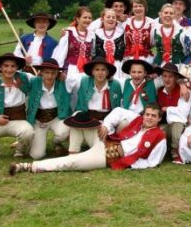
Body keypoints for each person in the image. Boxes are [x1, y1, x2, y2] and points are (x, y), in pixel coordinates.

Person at [9, 105, 167, 175]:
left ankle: (27, 166)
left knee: (71, 164)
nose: (149, 118)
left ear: (159, 119)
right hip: (106, 142)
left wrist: (130, 163)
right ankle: (73, 152)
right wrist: (105, 125)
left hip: (109, 156)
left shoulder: (159, 136)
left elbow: (153, 161)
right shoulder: (139, 119)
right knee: (81, 119)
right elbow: (118, 111)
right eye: (147, 114)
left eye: (153, 116)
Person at [67, 57, 122, 154]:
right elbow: (80, 105)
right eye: (97, 70)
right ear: (92, 72)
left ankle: (92, 144)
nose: (100, 73)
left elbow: (117, 109)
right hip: (88, 119)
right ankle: (73, 152)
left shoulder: (115, 85)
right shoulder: (84, 81)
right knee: (76, 119)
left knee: (101, 149)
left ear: (108, 72)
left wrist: (107, 125)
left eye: (103, 70)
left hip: (106, 121)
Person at [26, 58, 71, 159]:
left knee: (63, 133)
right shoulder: (33, 81)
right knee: (37, 155)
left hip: (57, 117)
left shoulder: (63, 82)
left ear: (57, 73)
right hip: (39, 120)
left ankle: (56, 142)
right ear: (41, 72)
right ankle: (31, 143)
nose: (50, 76)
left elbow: (78, 81)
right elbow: (20, 78)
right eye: (47, 72)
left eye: (53, 73)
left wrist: (65, 76)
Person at [52, 6, 95, 92]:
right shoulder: (68, 33)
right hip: (70, 69)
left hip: (86, 70)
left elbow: (93, 53)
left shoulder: (92, 35)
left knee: (84, 93)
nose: (87, 20)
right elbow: (60, 53)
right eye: (85, 17)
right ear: (78, 19)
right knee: (69, 94)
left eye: (89, 18)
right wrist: (58, 71)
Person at [155, 62, 190, 163]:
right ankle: (163, 151)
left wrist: (168, 109)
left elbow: (183, 113)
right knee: (158, 131)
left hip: (181, 124)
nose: (167, 79)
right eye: (165, 76)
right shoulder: (159, 91)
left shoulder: (182, 91)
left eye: (170, 76)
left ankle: (175, 151)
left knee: (177, 125)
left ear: (176, 78)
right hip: (166, 124)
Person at [93, 8, 125, 81]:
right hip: (102, 66)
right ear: (102, 19)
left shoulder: (122, 32)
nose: (111, 19)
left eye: (113, 17)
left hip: (118, 65)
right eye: (108, 17)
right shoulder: (96, 33)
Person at [122, 0, 154, 65]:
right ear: (132, 9)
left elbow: (153, 42)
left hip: (146, 58)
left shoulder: (152, 23)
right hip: (129, 58)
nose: (138, 8)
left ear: (145, 8)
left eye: (140, 6)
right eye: (135, 6)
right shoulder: (126, 23)